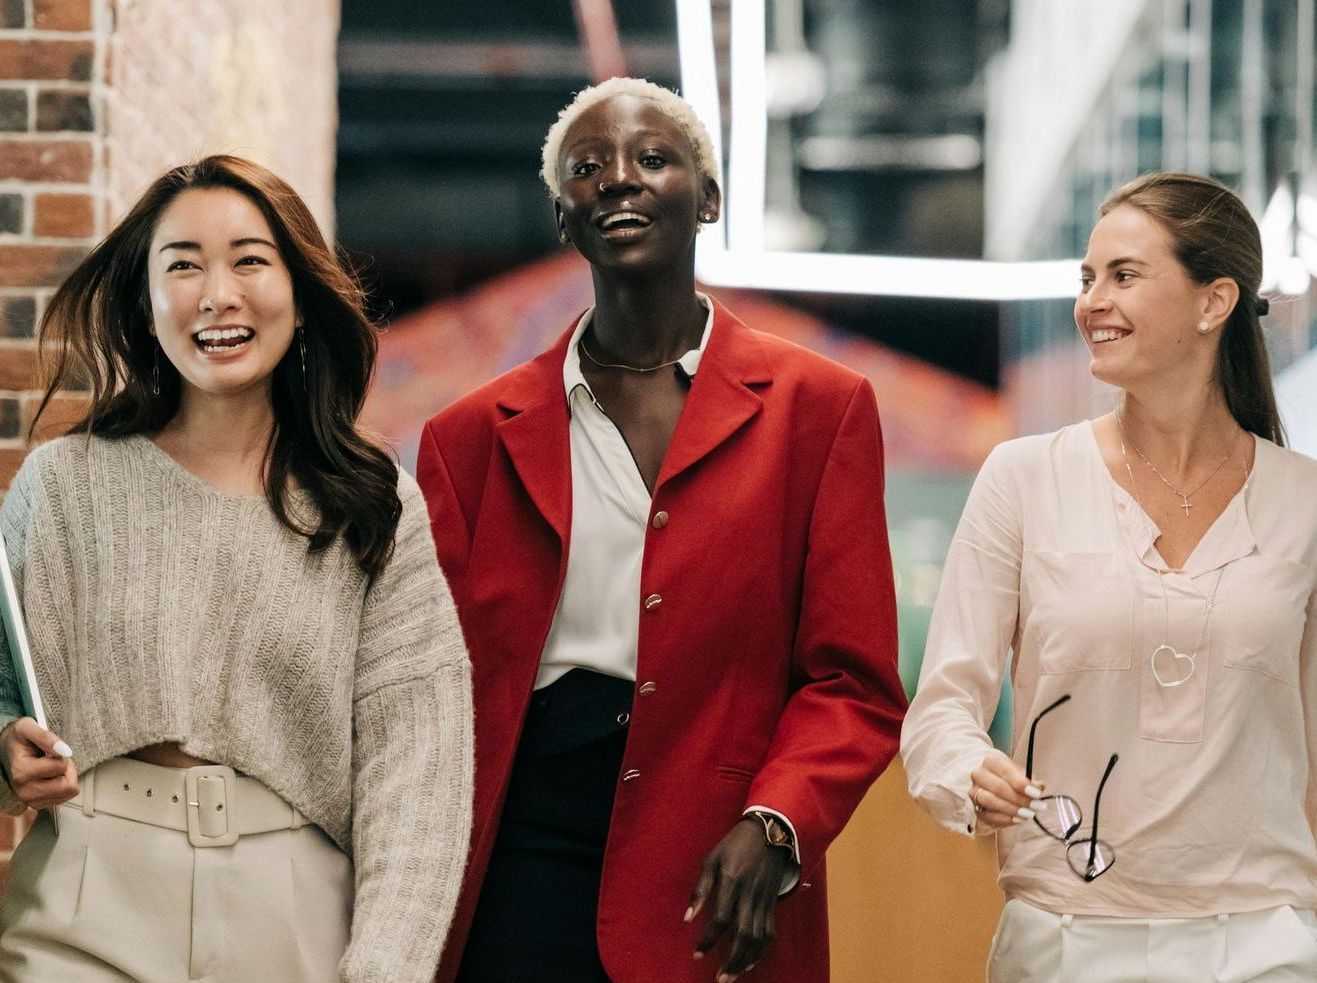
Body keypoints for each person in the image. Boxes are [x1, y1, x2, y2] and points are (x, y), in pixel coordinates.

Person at [417, 77, 906, 983]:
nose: (617, 180)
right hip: (516, 850)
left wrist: (779, 823)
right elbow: (429, 683)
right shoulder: (469, 438)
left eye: (651, 159)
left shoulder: (819, 409)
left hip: (721, 857)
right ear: (563, 215)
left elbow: (853, 681)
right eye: (587, 168)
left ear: (708, 198)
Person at [0, 155, 473, 982]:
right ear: (146, 305)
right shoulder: (65, 484)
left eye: (249, 259)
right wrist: (4, 744)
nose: (218, 293)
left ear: (298, 291)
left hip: (293, 916)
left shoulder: (372, 506)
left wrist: (387, 966)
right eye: (182, 265)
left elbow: (417, 777)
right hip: (87, 892)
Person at [901, 172, 1317, 981]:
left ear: (1213, 301)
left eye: (1123, 276)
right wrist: (964, 771)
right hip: (1065, 934)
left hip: (1264, 938)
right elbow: (941, 708)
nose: (1090, 301)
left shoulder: (1304, 500)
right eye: (1085, 279)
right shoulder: (1021, 477)